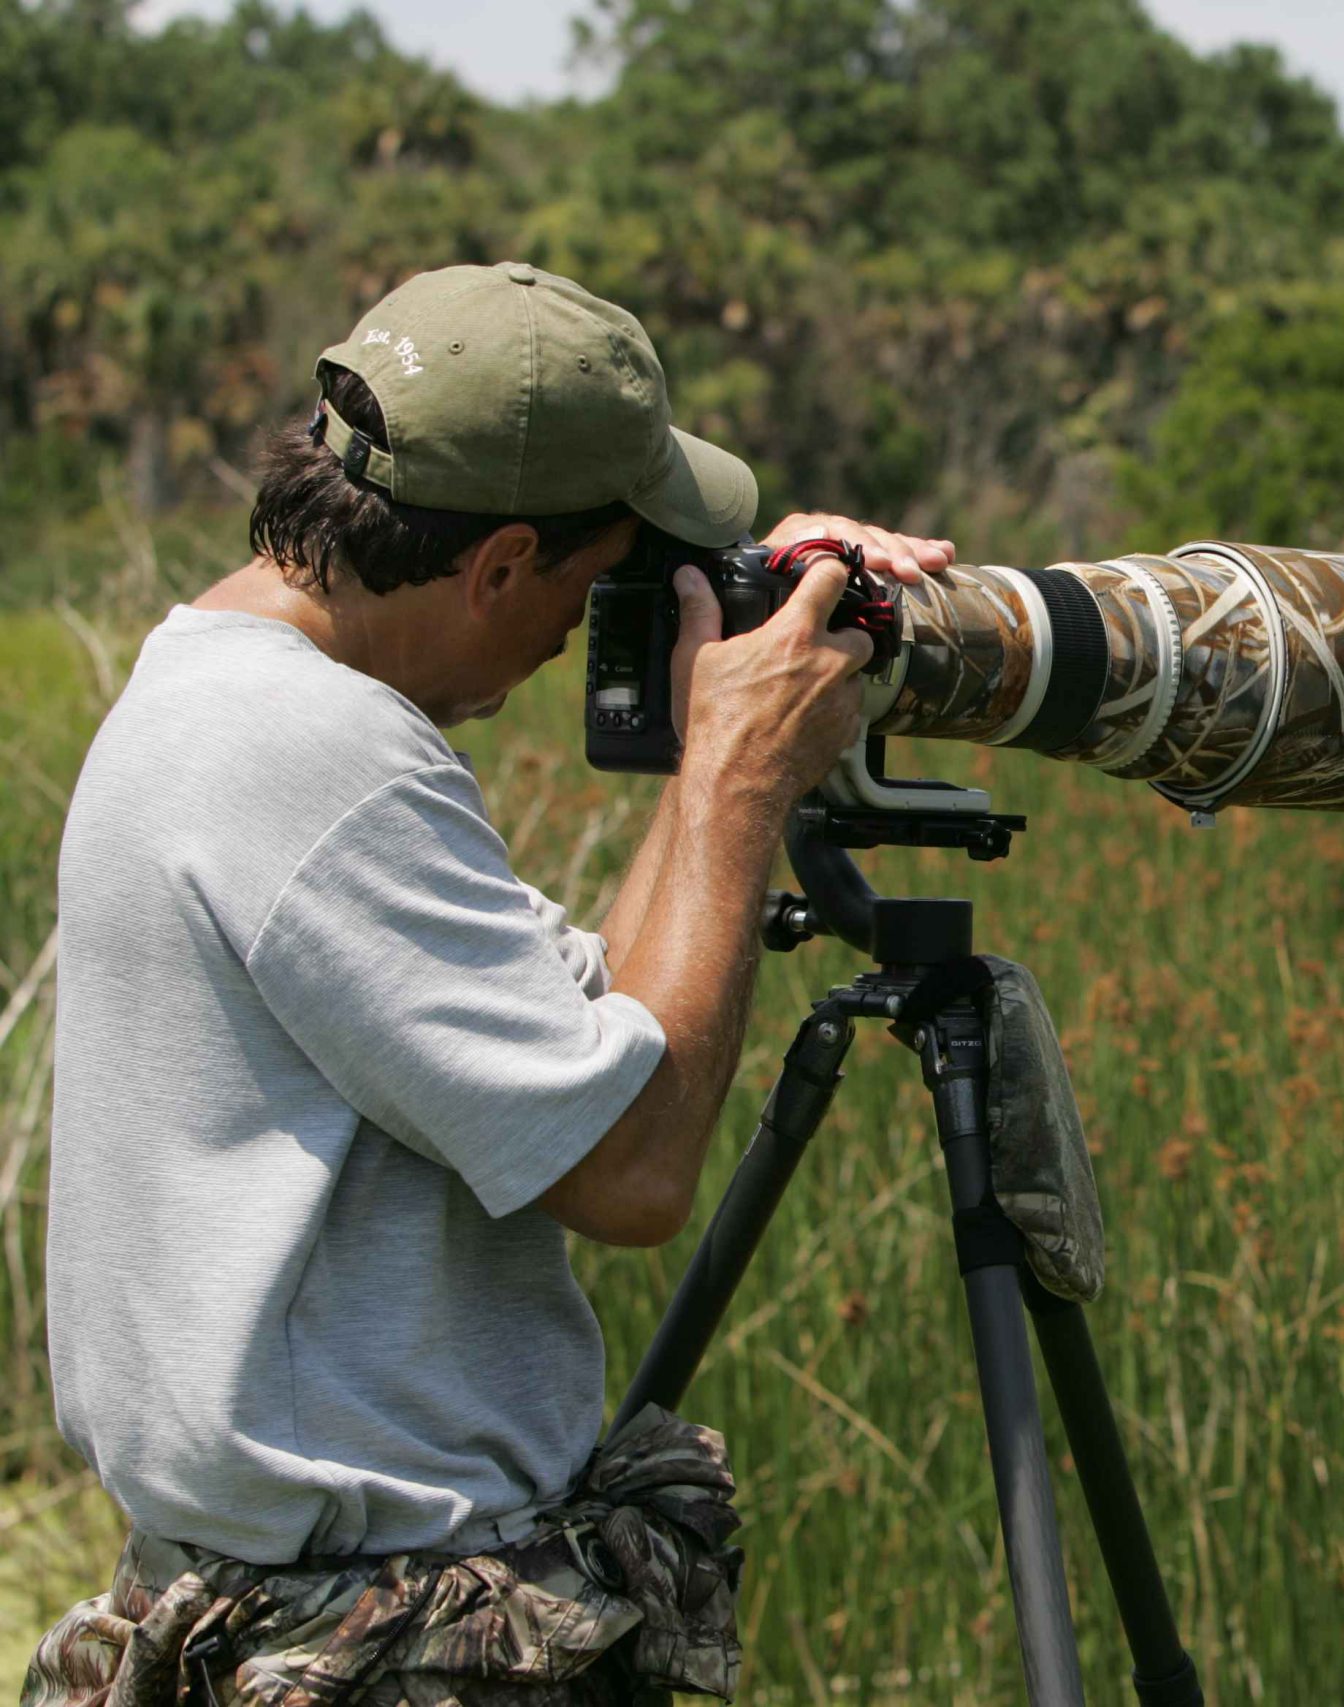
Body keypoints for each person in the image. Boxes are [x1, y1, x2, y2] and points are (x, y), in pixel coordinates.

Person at [19, 262, 951, 1706]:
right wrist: (737, 776)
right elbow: (632, 1170)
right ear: (502, 561)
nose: (580, 631)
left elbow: (603, 1037)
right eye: (591, 588)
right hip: (384, 1636)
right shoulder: (317, 758)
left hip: (277, 1590)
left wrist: (727, 687)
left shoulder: (214, 687)